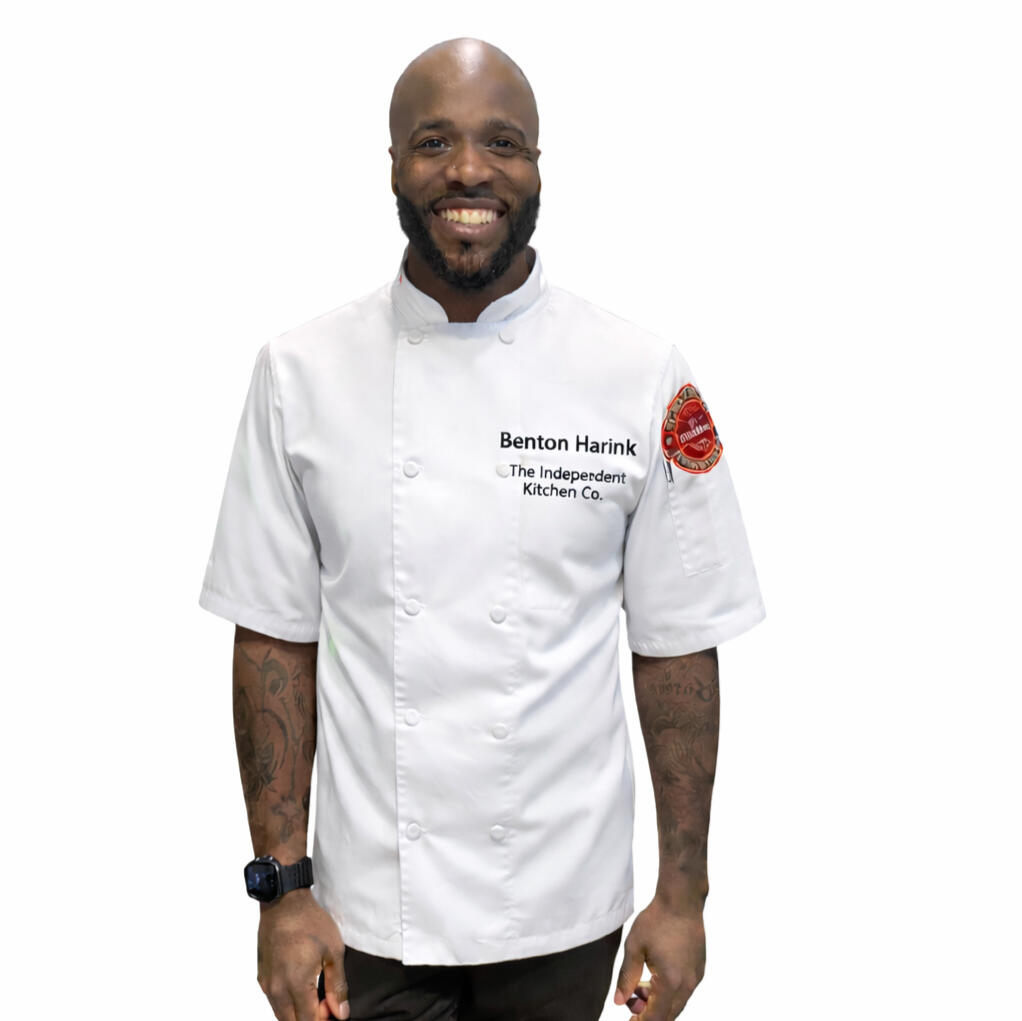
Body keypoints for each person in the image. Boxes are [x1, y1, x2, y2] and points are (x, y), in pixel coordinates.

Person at [199, 37, 764, 1021]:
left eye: (501, 142)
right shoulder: (299, 373)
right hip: (367, 908)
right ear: (392, 166)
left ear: (538, 166)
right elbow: (273, 639)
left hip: (565, 904)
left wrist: (683, 895)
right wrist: (280, 893)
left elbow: (675, 645)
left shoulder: (637, 373)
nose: (468, 170)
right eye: (434, 142)